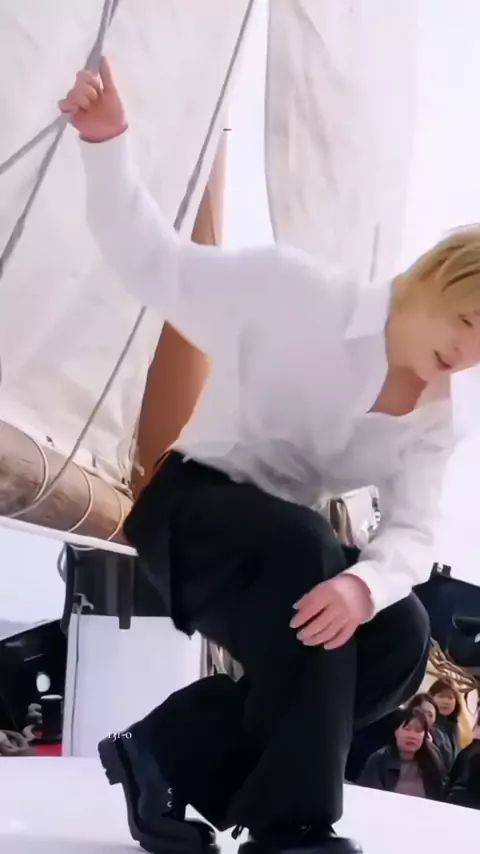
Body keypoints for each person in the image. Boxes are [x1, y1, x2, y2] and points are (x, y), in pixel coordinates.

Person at [58, 58, 480, 854]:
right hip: (191, 517)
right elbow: (153, 263)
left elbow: (413, 531)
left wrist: (363, 586)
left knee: (398, 632)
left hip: (283, 550)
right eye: (465, 320)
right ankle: (292, 828)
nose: (466, 352)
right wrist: (106, 143)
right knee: (307, 550)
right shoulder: (296, 295)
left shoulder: (436, 417)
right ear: (430, 277)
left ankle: (163, 752)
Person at [357, 708, 445, 799]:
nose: (412, 735)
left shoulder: (433, 759)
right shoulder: (379, 760)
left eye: (418, 730)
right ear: (396, 732)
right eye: (407, 729)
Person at [428, 679, 465, 766]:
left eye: (450, 698)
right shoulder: (427, 726)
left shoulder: (454, 727)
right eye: (441, 696)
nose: (446, 702)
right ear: (431, 698)